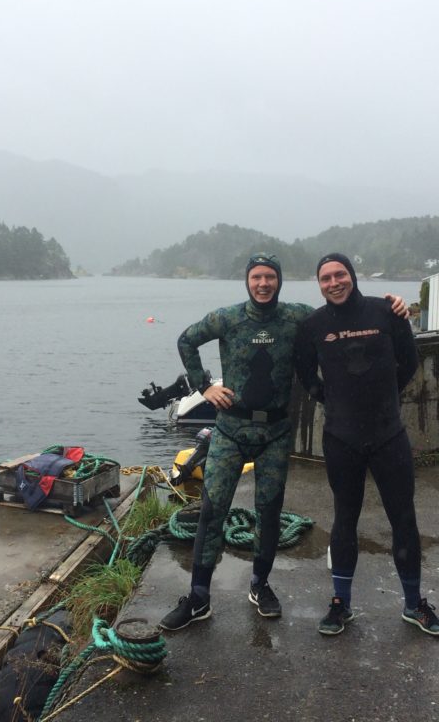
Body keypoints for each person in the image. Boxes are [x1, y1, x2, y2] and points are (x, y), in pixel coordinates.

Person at [160, 253, 408, 631]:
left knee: (269, 511)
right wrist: (205, 386)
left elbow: (342, 316)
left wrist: (393, 307)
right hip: (230, 430)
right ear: (248, 281)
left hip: (276, 432)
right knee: (212, 510)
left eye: (270, 277)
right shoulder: (227, 317)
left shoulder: (298, 318)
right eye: (257, 277)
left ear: (279, 281)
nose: (263, 284)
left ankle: (260, 585)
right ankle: (198, 597)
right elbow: (186, 340)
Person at [295, 252, 439, 638]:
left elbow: (409, 362)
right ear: (319, 284)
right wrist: (329, 399)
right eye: (326, 278)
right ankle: (340, 603)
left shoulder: (387, 312)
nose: (334, 282)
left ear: (352, 276)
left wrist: (385, 397)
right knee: (344, 519)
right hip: (341, 437)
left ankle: (414, 605)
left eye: (340, 274)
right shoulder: (313, 324)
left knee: (404, 518)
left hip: (387, 435)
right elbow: (303, 372)